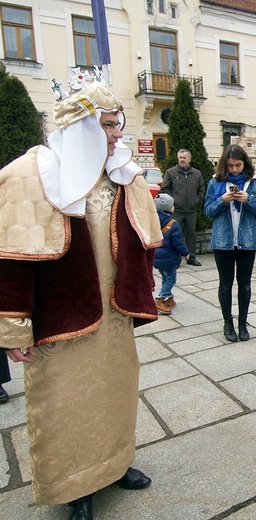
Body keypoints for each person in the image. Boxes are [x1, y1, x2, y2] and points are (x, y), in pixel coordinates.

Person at [0, 69, 161, 520]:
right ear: (80, 126)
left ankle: (115, 464)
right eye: (107, 125)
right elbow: (12, 258)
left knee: (116, 394)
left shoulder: (122, 174)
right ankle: (76, 487)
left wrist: (140, 297)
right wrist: (14, 329)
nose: (117, 134)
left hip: (112, 316)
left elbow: (143, 245)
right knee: (67, 406)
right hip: (61, 319)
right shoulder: (29, 176)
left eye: (117, 123)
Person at [204, 144, 256, 343]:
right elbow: (207, 211)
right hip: (222, 242)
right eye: (230, 166)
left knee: (245, 284)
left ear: (245, 163)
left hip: (247, 242)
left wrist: (248, 199)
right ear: (225, 165)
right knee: (225, 284)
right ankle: (227, 323)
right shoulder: (215, 183)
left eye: (238, 165)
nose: (234, 169)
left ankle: (242, 323)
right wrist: (223, 200)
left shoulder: (255, 183)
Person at [161, 149, 206, 266]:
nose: (182, 160)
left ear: (189, 159)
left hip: (191, 211)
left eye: (184, 157)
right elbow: (165, 189)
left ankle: (191, 257)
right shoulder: (171, 172)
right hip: (176, 211)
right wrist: (173, 203)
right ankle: (176, 259)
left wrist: (196, 201)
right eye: (180, 157)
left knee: (191, 235)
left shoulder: (197, 174)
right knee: (175, 235)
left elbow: (201, 191)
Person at [153, 193, 190, 315]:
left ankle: (168, 298)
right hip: (169, 258)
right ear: (169, 208)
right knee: (171, 279)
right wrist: (186, 253)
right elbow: (178, 242)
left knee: (165, 277)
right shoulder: (173, 223)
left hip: (156, 257)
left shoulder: (152, 220)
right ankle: (160, 298)